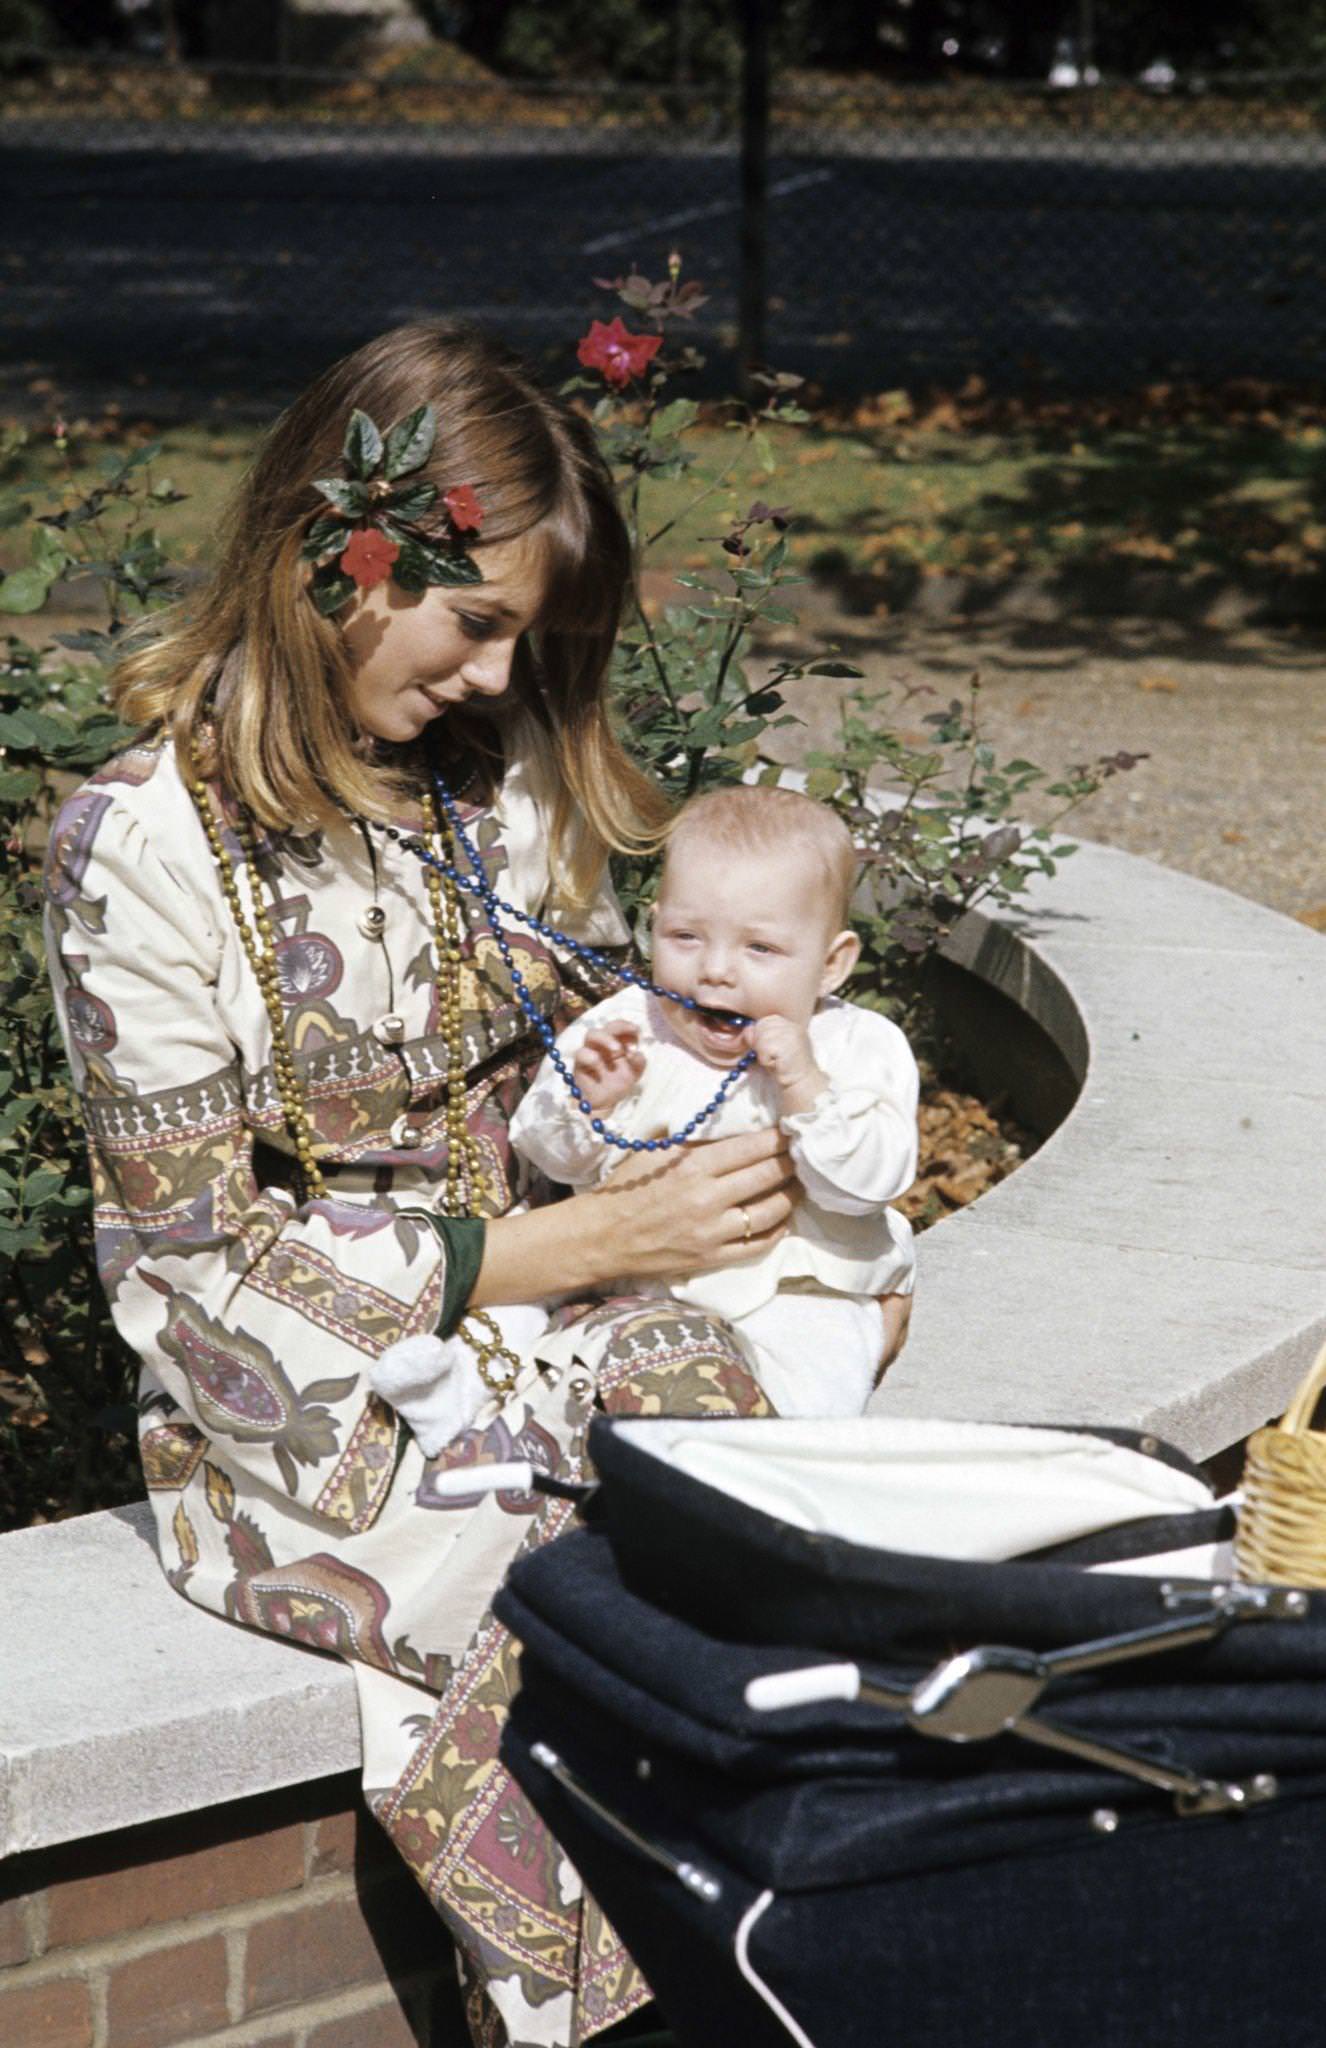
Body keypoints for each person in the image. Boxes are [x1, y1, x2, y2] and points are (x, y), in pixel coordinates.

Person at [43, 321, 910, 2048]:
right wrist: (582, 1242)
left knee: (754, 1483)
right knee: (546, 1592)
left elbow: (652, 1062)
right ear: (337, 560)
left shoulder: (490, 786)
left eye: (527, 634)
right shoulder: (138, 846)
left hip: (581, 1301)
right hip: (306, 1395)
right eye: (480, 621)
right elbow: (189, 1258)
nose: (506, 678)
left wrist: (799, 1244)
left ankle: (814, 1962)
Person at [495, 785, 917, 1420]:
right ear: (654, 924)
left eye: (760, 949)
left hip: (797, 1288)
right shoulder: (629, 1026)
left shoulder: (856, 1046)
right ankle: (454, 1400)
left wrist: (804, 1085)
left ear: (831, 965)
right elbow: (547, 1153)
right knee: (514, 1313)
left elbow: (870, 1183)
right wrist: (589, 1103)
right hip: (627, 1277)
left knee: (816, 1381)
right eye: (686, 937)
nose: (716, 970)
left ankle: (792, 1478)